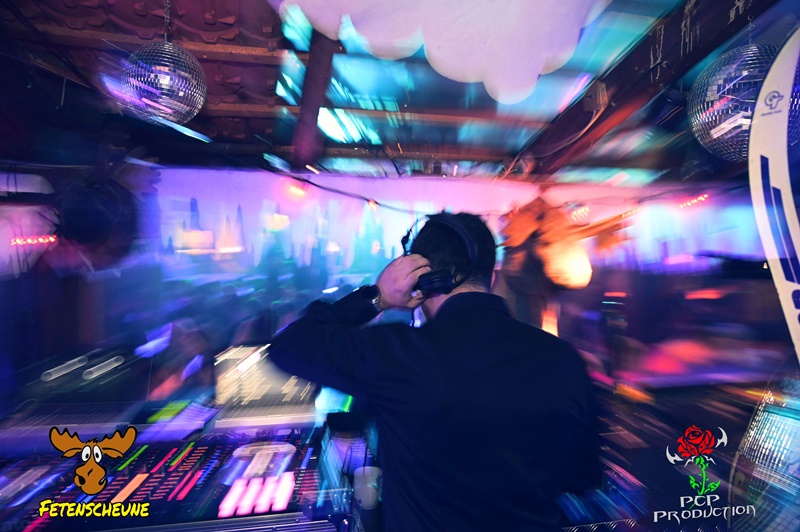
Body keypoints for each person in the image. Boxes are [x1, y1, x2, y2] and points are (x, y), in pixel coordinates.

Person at [269, 212, 600, 531]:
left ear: (423, 281)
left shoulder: (398, 354)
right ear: (492, 277)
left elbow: (289, 345)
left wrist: (378, 298)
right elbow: (581, 477)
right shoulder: (564, 359)